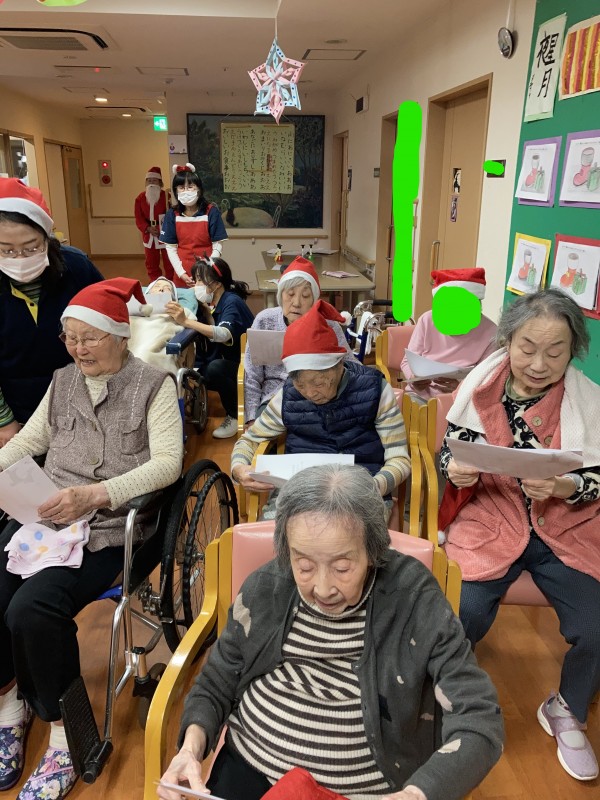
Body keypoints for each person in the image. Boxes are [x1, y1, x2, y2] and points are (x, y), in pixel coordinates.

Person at [157, 463, 504, 800]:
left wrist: (416, 794)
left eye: (342, 567)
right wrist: (190, 749)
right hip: (250, 766)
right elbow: (217, 681)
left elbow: (479, 719)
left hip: (366, 787)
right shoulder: (268, 585)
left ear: (373, 550)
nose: (322, 589)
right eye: (304, 565)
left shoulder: (412, 596)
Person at [0, 277, 183, 799]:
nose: (79, 348)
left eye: (90, 337)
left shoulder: (153, 386)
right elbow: (30, 440)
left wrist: (98, 494)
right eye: (70, 338)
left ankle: (65, 736)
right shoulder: (62, 382)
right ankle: (10, 705)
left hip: (109, 528)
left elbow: (169, 464)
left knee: (32, 610)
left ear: (120, 337)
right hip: (47, 514)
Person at [438, 288, 600, 782]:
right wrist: (456, 470)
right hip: (491, 517)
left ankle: (568, 707)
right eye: (527, 348)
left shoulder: (588, 400)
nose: (538, 364)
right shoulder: (480, 388)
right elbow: (450, 453)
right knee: (462, 612)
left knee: (595, 626)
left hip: (565, 528)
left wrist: (566, 486)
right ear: (508, 340)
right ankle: (449, 691)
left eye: (555, 351)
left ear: (574, 351)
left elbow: (597, 475)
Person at [232, 300, 410, 519]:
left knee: (346, 536)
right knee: (281, 533)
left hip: (362, 493)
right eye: (300, 385)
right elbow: (249, 440)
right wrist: (239, 468)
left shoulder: (375, 390)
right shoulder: (288, 395)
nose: (310, 393)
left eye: (318, 383)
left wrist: (374, 487)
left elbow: (400, 460)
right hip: (302, 492)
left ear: (339, 365)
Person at [0, 178, 103, 447]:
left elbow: (108, 323)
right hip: (14, 405)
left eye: (31, 247)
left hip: (79, 396)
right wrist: (5, 421)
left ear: (47, 237)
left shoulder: (76, 268)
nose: (20, 258)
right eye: (7, 250)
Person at [244, 256, 351, 426]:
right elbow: (251, 375)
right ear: (281, 295)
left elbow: (351, 364)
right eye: (290, 294)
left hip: (318, 397)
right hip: (274, 397)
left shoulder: (329, 324)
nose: (296, 303)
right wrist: (250, 417)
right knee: (263, 431)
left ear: (314, 300)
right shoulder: (265, 320)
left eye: (306, 296)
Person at [166, 257, 254, 439]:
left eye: (200, 280)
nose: (195, 285)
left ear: (216, 284)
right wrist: (207, 313)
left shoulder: (232, 301)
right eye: (195, 279)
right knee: (200, 372)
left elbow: (223, 334)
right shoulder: (220, 302)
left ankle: (235, 415)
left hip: (251, 368)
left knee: (215, 369)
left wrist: (185, 321)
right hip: (238, 361)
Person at [401, 268, 498, 399]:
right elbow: (406, 362)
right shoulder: (427, 320)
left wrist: (460, 388)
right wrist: (414, 380)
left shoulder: (491, 331)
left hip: (463, 398)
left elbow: (487, 377)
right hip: (421, 395)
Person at [159, 163, 228, 289]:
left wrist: (208, 268)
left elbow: (218, 244)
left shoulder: (211, 212)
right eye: (181, 187)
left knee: (209, 300)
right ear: (175, 191)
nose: (186, 191)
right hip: (182, 273)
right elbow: (170, 247)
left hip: (208, 273)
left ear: (199, 189)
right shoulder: (172, 214)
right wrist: (181, 273)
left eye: (190, 187)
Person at [128, 276, 197, 374]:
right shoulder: (133, 310)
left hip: (154, 348)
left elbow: (193, 324)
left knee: (144, 357)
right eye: (156, 287)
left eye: (167, 288)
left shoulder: (180, 311)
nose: (161, 289)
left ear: (173, 297)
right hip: (130, 343)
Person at [134, 166, 173, 282]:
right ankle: (155, 283)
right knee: (151, 263)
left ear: (160, 182)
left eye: (154, 180)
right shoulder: (140, 198)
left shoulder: (167, 197)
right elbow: (138, 217)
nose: (151, 183)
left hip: (164, 234)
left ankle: (171, 283)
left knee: (169, 262)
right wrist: (147, 228)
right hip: (148, 234)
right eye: (149, 180)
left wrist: (161, 228)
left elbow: (171, 216)